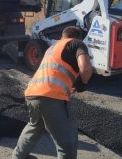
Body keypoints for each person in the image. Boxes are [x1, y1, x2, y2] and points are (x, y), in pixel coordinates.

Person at [12, 26, 93, 159]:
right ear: (77, 37)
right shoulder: (77, 43)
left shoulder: (52, 48)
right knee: (66, 140)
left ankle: (18, 156)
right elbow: (86, 68)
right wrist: (81, 84)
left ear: (62, 36)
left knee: (34, 127)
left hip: (32, 93)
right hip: (51, 97)